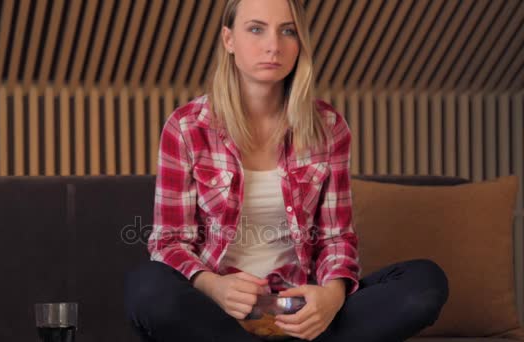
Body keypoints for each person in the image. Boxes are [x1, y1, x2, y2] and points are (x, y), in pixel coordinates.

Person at [124, 0, 449, 341]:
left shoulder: (328, 127)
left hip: (299, 314)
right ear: (228, 40)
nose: (273, 46)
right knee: (146, 286)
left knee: (425, 282)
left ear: (299, 43)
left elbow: (335, 238)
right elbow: (170, 242)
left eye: (287, 31)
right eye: (255, 29)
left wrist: (331, 298)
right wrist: (215, 287)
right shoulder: (187, 126)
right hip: (216, 314)